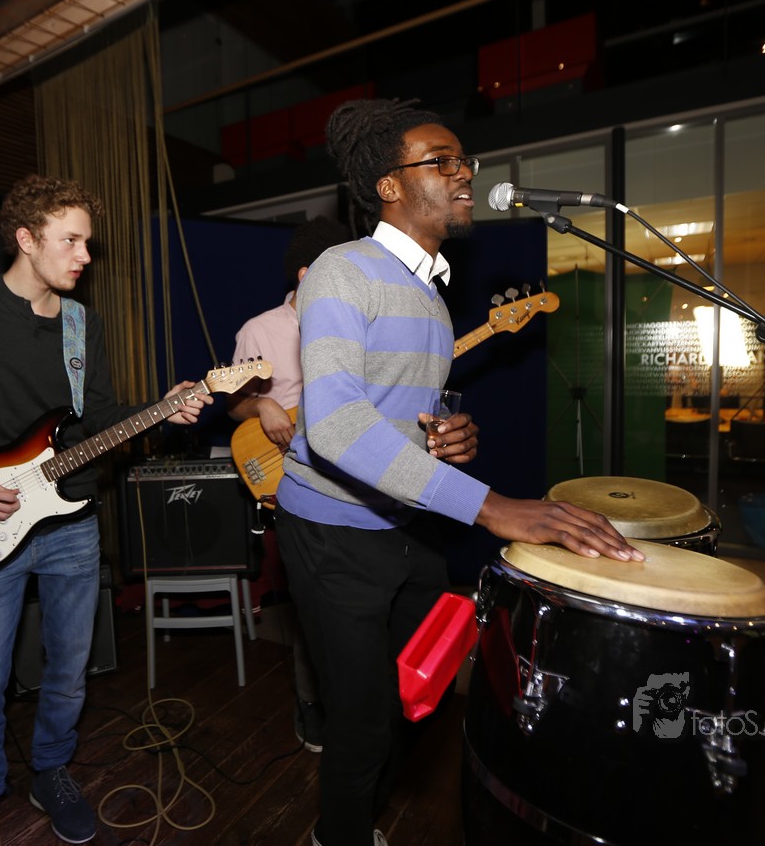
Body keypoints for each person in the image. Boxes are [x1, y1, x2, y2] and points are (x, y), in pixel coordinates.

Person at [274, 98, 640, 846]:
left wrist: (447, 436)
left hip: (408, 525)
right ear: (388, 185)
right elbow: (336, 425)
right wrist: (489, 505)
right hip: (331, 530)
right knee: (360, 719)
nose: (463, 173)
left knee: (419, 692)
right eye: (439, 161)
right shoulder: (343, 271)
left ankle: (364, 817)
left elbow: (397, 413)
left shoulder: (433, 299)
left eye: (463, 160)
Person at [0, 174, 210, 846]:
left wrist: (163, 409)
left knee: (68, 671)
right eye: (71, 241)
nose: (85, 256)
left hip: (73, 523)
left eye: (87, 242)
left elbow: (99, 419)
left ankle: (51, 771)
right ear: (26, 239)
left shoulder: (81, 323)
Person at [226, 216, 353, 753]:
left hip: (347, 476)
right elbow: (234, 405)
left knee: (351, 598)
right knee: (310, 600)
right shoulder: (261, 330)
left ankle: (355, 701)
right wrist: (263, 404)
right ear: (307, 274)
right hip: (288, 474)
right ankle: (310, 702)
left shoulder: (354, 324)